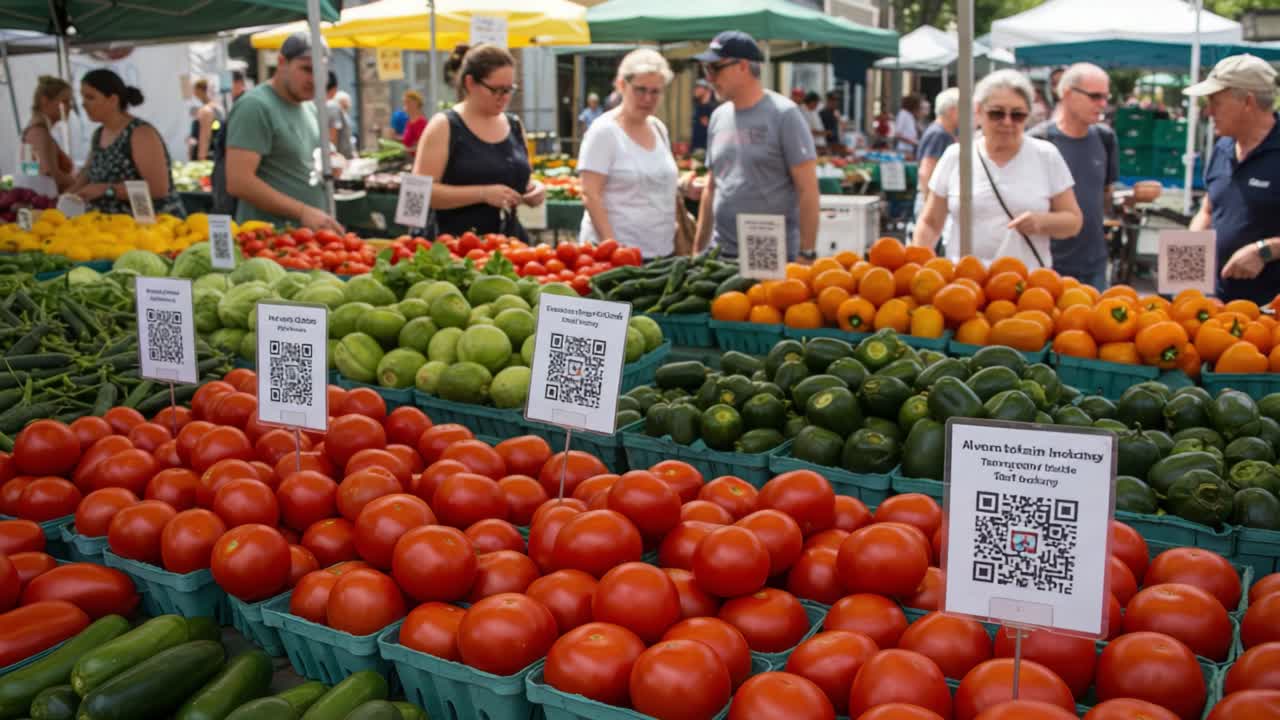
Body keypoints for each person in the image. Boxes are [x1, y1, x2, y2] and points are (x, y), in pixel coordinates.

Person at [912, 69, 1082, 266]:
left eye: (1017, 115)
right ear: (978, 111)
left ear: (1027, 115)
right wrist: (918, 264)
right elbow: (931, 222)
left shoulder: (1046, 155)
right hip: (964, 285)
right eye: (996, 113)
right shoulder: (956, 156)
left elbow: (1073, 221)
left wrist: (1041, 222)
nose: (1007, 122)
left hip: (1028, 287)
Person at [692, 30, 819, 261]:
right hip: (720, 254)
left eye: (714, 68)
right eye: (706, 70)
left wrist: (806, 252)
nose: (709, 78)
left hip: (769, 253)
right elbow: (711, 188)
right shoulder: (719, 116)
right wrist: (697, 250)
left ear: (742, 66)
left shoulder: (784, 114)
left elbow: (808, 190)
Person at [413, 44, 544, 240]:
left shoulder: (514, 125)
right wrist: (482, 194)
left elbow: (522, 180)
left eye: (509, 90)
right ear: (470, 83)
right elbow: (417, 195)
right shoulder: (444, 126)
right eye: (496, 90)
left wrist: (535, 190)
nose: (504, 98)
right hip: (454, 248)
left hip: (509, 245)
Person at [1185, 55, 1280, 303]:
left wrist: (1265, 250)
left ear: (1248, 101)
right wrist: (1187, 281)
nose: (1208, 111)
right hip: (1218, 311)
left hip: (1271, 321)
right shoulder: (1222, 147)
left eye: (1215, 102)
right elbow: (1208, 210)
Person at [225, 32, 340, 231]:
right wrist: (303, 212)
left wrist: (332, 163)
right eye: (306, 69)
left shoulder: (309, 107)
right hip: (269, 241)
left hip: (309, 243)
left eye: (320, 72)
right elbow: (239, 181)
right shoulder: (255, 106)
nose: (314, 80)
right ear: (281, 63)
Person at [577, 49, 679, 258]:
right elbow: (590, 193)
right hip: (618, 256)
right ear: (621, 85)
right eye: (640, 90)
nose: (648, 98)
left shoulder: (658, 128)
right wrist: (611, 247)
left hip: (661, 253)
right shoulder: (604, 131)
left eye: (655, 91)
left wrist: (685, 186)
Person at [1030, 63, 1118, 289]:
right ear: (1067, 94)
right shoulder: (1039, 141)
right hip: (1047, 267)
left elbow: (1105, 197)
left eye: (1106, 97)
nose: (1103, 105)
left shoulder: (1105, 138)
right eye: (1095, 96)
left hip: (1094, 265)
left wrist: (1131, 199)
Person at [67, 69, 183, 217]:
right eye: (82, 97)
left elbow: (158, 188)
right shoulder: (98, 134)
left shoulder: (140, 133)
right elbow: (86, 175)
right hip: (112, 229)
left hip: (152, 228)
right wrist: (66, 197)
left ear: (113, 100)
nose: (83, 104)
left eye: (90, 97)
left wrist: (106, 190)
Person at [21, 76, 75, 192]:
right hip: (46, 203)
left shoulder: (33, 131)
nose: (70, 107)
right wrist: (78, 182)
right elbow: (47, 173)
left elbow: (30, 170)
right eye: (65, 102)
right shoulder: (38, 133)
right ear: (44, 101)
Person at [914, 87, 959, 223]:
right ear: (952, 111)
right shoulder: (938, 134)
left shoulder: (943, 133)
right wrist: (932, 205)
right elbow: (926, 171)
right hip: (932, 205)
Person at [188, 78, 225, 161]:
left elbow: (205, 136)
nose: (194, 93)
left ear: (201, 90)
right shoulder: (219, 108)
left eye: (195, 90)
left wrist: (201, 158)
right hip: (216, 153)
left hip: (207, 156)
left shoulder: (206, 110)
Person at [325, 73, 354, 159]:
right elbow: (333, 137)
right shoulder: (332, 106)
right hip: (340, 159)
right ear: (335, 88)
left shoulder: (314, 106)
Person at [691, 79, 716, 152]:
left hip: (708, 148)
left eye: (699, 87)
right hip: (696, 147)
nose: (696, 90)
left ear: (707, 90)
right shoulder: (698, 106)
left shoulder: (713, 109)